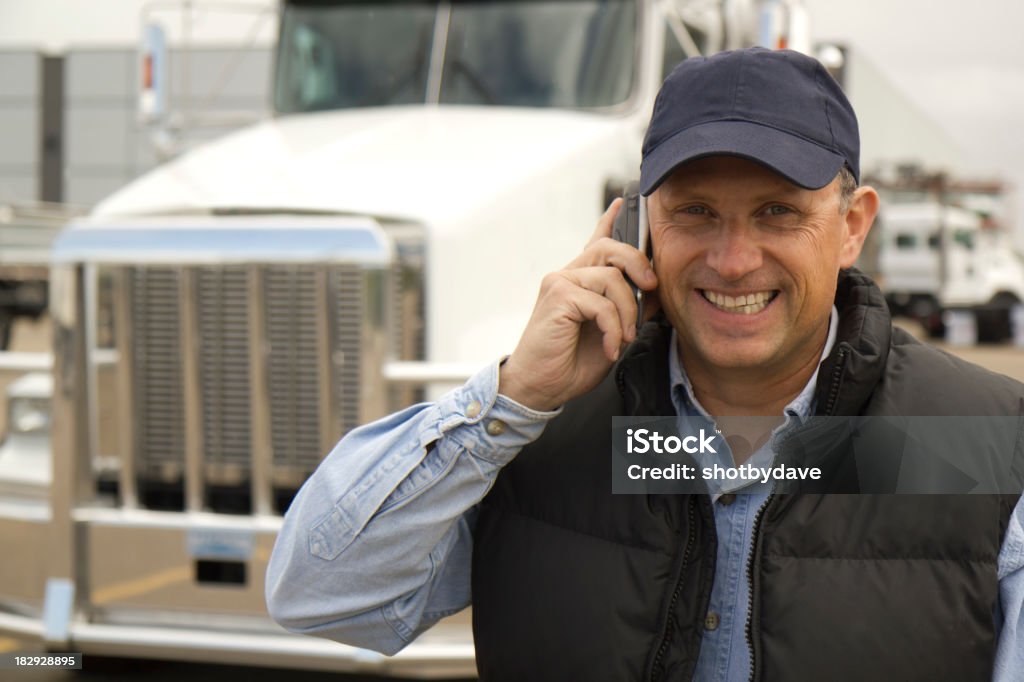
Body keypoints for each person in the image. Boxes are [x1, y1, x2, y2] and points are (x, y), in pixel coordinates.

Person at [266, 48, 1024, 681]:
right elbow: (316, 593)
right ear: (636, 225)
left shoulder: (987, 446)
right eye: (694, 211)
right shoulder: (537, 437)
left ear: (853, 226)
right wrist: (510, 402)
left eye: (777, 212)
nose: (733, 260)